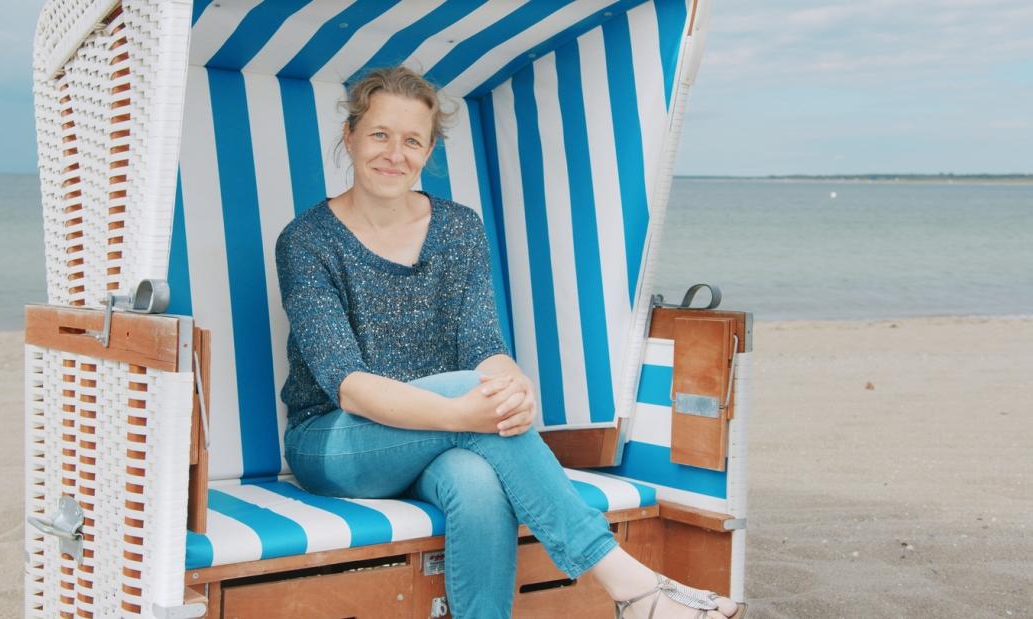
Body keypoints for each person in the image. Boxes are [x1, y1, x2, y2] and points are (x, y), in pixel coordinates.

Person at [276, 66, 745, 619]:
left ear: (429, 150)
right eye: (380, 134)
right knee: (480, 399)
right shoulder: (307, 241)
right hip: (336, 441)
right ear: (351, 136)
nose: (393, 154)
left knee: (478, 482)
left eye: (412, 140)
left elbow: (484, 346)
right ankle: (630, 587)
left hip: (449, 435)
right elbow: (349, 387)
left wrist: (510, 381)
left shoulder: (458, 228)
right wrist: (468, 409)